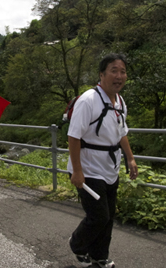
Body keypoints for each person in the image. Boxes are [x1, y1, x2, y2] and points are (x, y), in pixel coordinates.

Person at [67, 53, 138, 268]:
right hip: (88, 170)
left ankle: (99, 256)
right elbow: (73, 136)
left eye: (122, 71)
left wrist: (131, 158)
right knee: (98, 216)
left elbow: (121, 132)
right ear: (101, 74)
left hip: (110, 168)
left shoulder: (120, 102)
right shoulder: (88, 100)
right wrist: (77, 171)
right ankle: (77, 245)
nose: (119, 76)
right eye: (114, 71)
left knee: (108, 217)